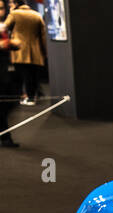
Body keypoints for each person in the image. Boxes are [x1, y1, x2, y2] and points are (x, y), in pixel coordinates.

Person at [2, 0, 46, 107]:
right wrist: (44, 52)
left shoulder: (14, 14)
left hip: (19, 51)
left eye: (11, 3)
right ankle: (32, 97)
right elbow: (43, 36)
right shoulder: (37, 15)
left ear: (16, 3)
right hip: (35, 52)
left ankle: (24, 97)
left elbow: (3, 28)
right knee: (32, 75)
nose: (9, 5)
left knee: (21, 76)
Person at [0, 0, 16, 147]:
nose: (1, 12)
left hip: (5, 71)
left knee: (7, 105)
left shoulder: (3, 26)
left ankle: (5, 137)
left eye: (2, 8)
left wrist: (13, 44)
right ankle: (6, 137)